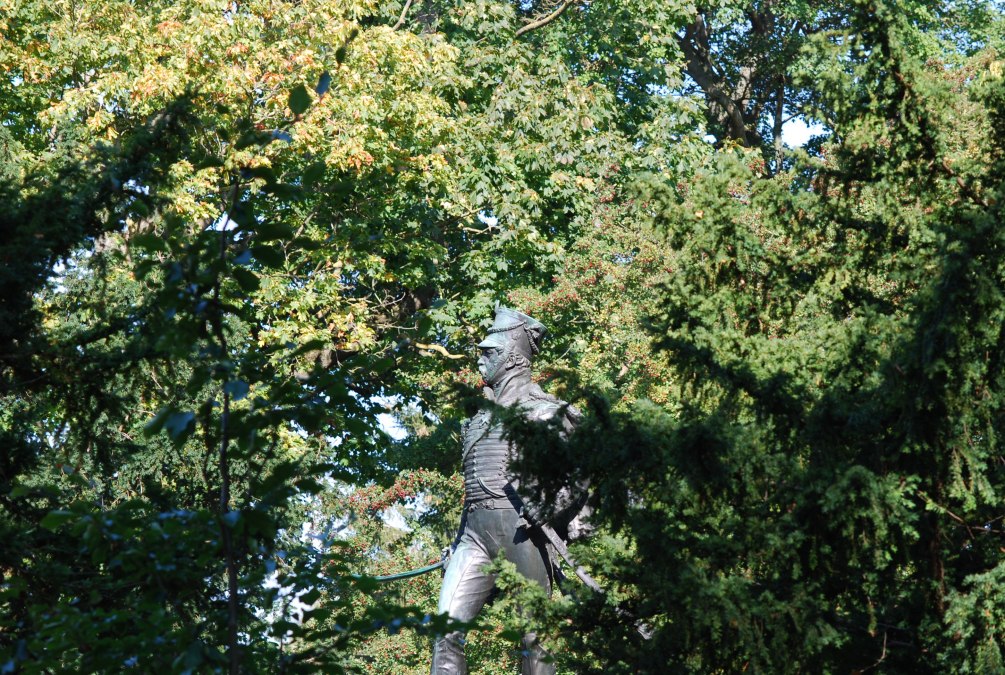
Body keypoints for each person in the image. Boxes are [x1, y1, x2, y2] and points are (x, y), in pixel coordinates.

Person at [431, 307, 583, 675]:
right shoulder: (477, 421)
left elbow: (581, 473)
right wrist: (456, 542)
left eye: (489, 353)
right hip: (474, 534)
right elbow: (473, 491)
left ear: (513, 358)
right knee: (445, 631)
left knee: (534, 637)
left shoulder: (545, 413)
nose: (479, 360)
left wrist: (550, 506)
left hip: (522, 532)